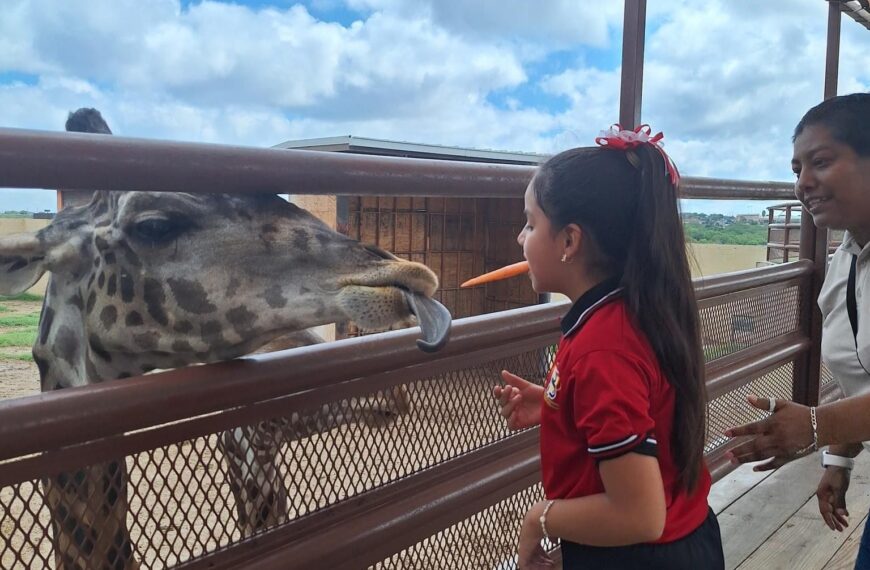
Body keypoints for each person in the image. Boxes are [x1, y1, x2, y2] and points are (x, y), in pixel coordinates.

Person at [493, 125, 724, 569]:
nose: (521, 239)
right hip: (683, 539)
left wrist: (539, 518)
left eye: (530, 223)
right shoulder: (630, 312)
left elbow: (639, 514)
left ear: (569, 241)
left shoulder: (603, 349)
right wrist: (559, 407)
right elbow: (640, 406)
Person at [726, 93, 870, 567]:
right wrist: (838, 458)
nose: (803, 183)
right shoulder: (846, 259)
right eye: (796, 170)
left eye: (821, 162)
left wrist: (815, 425)